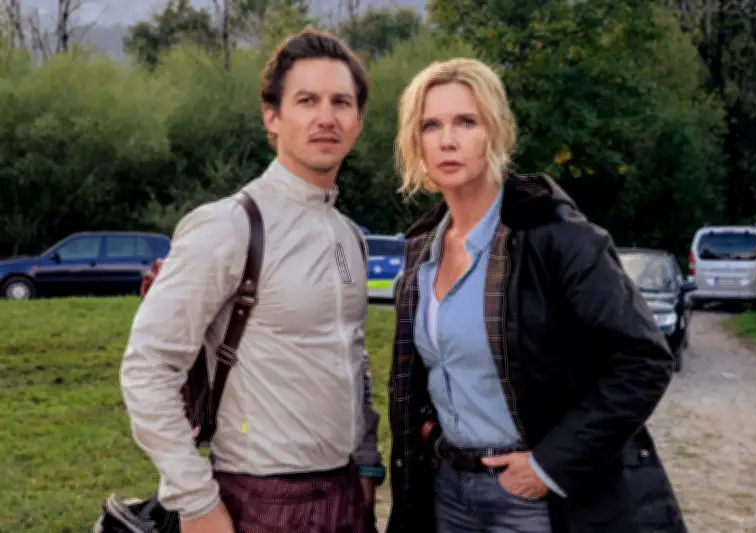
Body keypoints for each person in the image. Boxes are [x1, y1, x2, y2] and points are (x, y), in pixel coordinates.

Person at [385, 57, 688, 533]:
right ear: (415, 141)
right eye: (431, 125)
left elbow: (643, 360)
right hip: (447, 494)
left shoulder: (557, 238)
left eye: (466, 122)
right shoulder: (422, 252)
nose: (447, 140)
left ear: (497, 131)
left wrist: (549, 466)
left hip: (530, 499)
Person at [119, 29, 384, 533]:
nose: (326, 117)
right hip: (257, 502)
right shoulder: (230, 226)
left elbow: (352, 355)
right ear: (272, 117)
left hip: (347, 496)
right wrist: (195, 501)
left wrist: (368, 465)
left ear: (357, 120)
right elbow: (148, 367)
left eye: (341, 102)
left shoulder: (350, 236)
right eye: (306, 100)